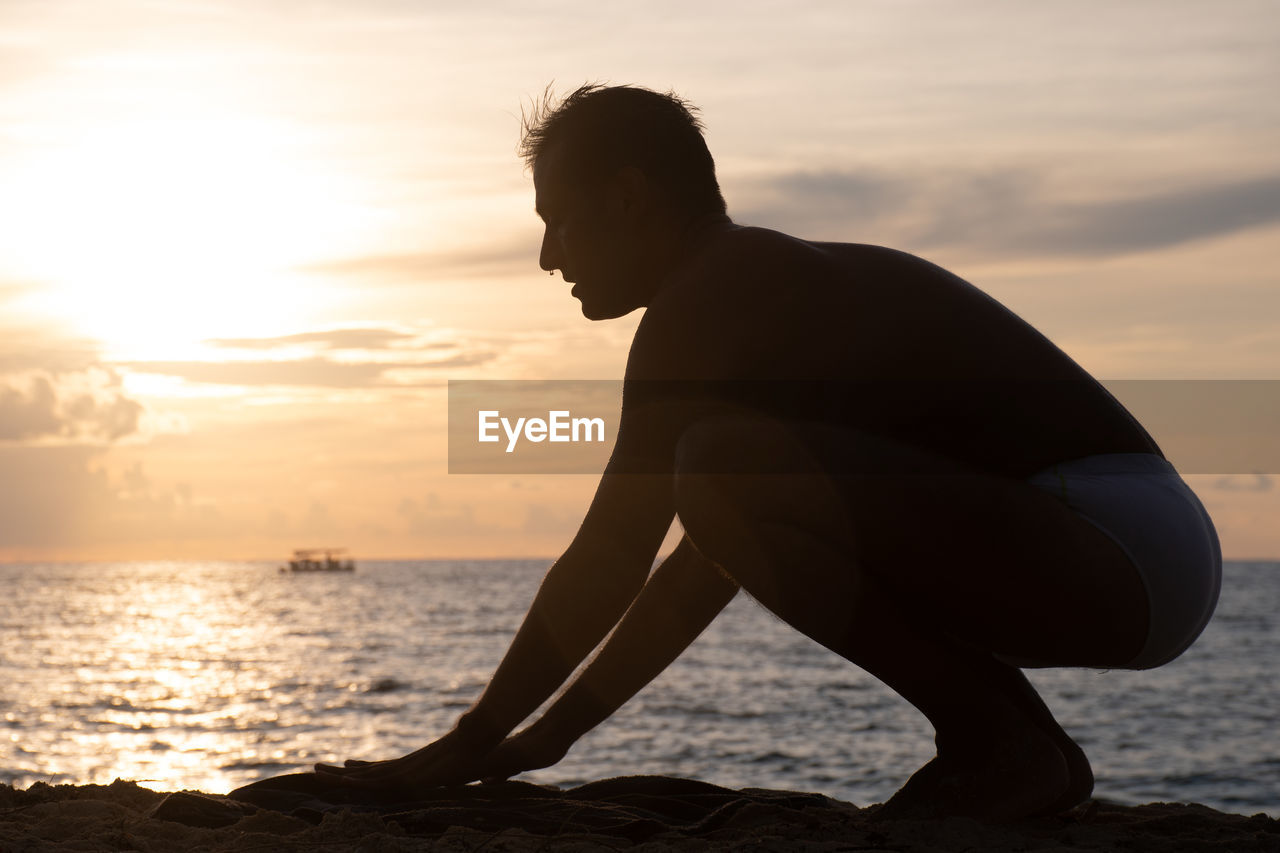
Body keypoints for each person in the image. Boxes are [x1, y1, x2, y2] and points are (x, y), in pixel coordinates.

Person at [317, 84, 1222, 821]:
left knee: (712, 464)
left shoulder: (709, 295)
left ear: (629, 198)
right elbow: (707, 561)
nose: (549, 257)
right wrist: (547, 740)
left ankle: (1004, 745)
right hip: (1137, 549)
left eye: (557, 220)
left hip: (1106, 534)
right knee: (718, 476)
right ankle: (1014, 746)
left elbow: (612, 551)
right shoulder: (748, 292)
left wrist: (469, 743)